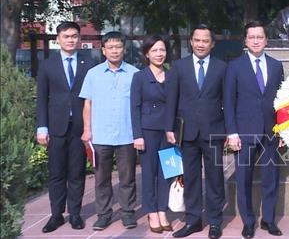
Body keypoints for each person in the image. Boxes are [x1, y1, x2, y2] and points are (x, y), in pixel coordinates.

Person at [224, 21, 285, 239]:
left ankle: (269, 220)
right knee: (243, 179)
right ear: (246, 40)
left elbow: (282, 100)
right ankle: (248, 222)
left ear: (266, 40)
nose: (256, 41)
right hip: (244, 132)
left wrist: (283, 130)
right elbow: (228, 101)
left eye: (260, 37)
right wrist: (232, 132)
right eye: (252, 37)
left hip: (270, 132)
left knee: (271, 178)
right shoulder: (234, 66)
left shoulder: (277, 66)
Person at [166, 24, 227, 239]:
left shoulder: (221, 67)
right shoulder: (179, 67)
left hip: (214, 131)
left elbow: (226, 101)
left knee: (215, 178)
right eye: (197, 40)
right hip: (187, 132)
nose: (201, 44)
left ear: (212, 44)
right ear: (191, 42)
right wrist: (169, 128)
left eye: (205, 41)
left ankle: (215, 222)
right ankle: (193, 221)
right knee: (190, 178)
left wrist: (229, 131)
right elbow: (171, 99)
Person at [36, 21, 93, 232]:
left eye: (74, 36)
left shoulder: (89, 62)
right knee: (57, 173)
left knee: (77, 172)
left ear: (79, 38)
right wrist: (42, 127)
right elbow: (42, 98)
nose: (71, 40)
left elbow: (93, 97)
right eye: (66, 36)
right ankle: (56, 215)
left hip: (79, 126)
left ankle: (75, 214)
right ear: (58, 39)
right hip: (56, 127)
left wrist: (91, 126)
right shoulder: (47, 64)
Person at [80, 31, 140, 231]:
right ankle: (104, 214)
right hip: (101, 135)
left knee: (127, 177)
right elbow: (87, 103)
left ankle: (127, 213)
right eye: (110, 47)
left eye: (118, 47)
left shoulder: (134, 74)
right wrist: (87, 130)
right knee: (102, 178)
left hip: (127, 134)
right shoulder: (93, 74)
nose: (115, 50)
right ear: (103, 50)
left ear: (124, 49)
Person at [130, 35, 177, 233]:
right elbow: (134, 107)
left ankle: (162, 209)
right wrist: (137, 135)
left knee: (168, 172)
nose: (159, 54)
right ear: (147, 54)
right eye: (155, 50)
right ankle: (151, 211)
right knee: (149, 173)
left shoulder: (173, 75)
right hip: (148, 131)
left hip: (169, 132)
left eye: (162, 50)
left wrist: (174, 130)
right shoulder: (140, 77)